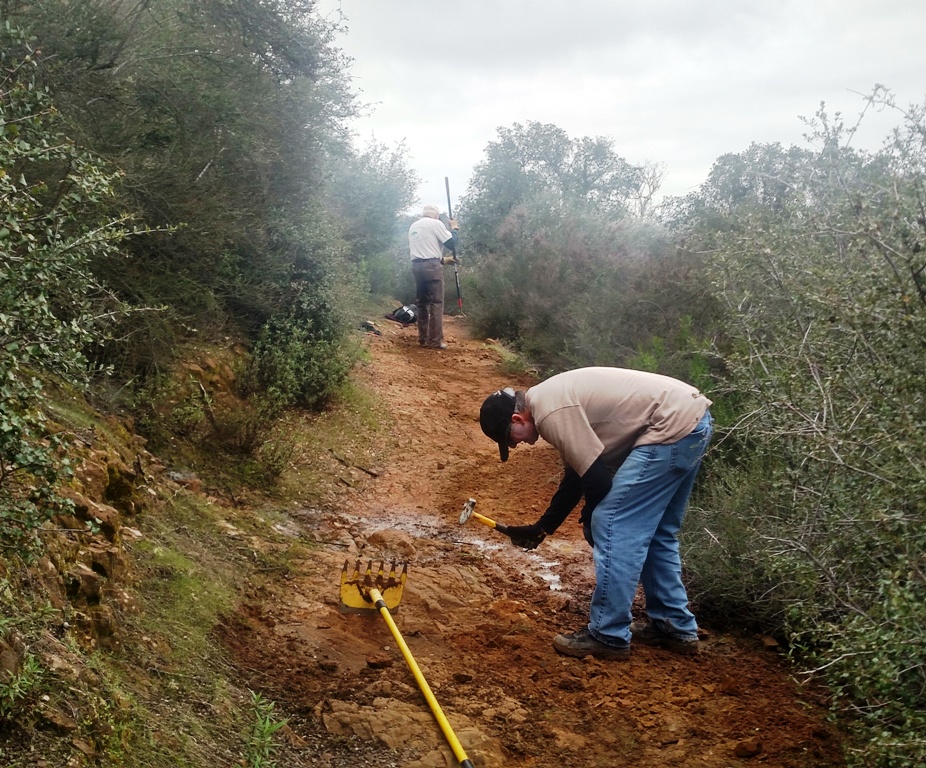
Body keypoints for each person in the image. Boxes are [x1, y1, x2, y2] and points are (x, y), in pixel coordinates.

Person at [478, 367, 713, 661]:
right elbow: (579, 474)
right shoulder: (549, 399)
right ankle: (673, 625)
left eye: (511, 439)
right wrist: (543, 527)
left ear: (517, 419)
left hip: (669, 429)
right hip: (692, 421)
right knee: (657, 533)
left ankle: (608, 634)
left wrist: (593, 518)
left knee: (612, 522)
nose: (517, 444)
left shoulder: (550, 413)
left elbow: (598, 481)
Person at [408, 205, 458, 349]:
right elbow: (452, 244)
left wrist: (444, 260)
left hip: (417, 267)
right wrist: (454, 228)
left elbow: (424, 251)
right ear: (435, 215)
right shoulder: (436, 224)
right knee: (436, 303)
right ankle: (435, 341)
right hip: (432, 268)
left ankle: (423, 338)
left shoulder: (414, 226)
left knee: (422, 303)